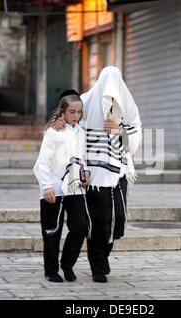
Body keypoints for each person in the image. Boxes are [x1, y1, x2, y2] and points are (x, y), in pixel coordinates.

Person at [52, 67, 142, 283]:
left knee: (116, 218)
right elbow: (69, 120)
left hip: (118, 170)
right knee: (98, 220)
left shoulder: (127, 104)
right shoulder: (85, 100)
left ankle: (103, 257)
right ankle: (98, 266)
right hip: (92, 173)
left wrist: (120, 130)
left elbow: (136, 129)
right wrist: (58, 124)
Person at [33, 89, 92, 283]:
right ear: (63, 111)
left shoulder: (81, 132)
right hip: (54, 189)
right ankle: (51, 270)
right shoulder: (53, 132)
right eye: (72, 112)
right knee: (52, 231)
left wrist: (86, 172)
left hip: (75, 188)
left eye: (79, 112)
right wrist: (47, 186)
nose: (76, 116)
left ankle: (67, 265)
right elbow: (42, 162)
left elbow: (82, 157)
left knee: (80, 227)